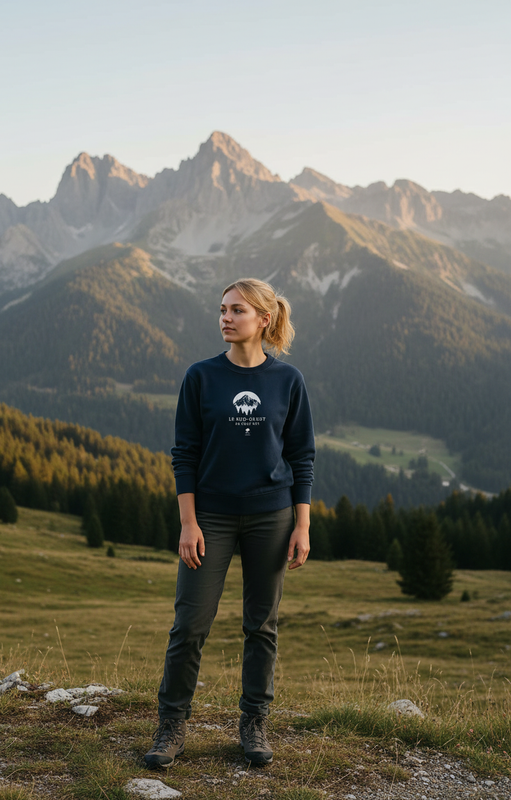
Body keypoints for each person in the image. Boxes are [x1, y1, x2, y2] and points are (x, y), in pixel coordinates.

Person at [144, 277, 315, 769]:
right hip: (211, 518)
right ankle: (171, 725)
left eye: (237, 310)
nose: (224, 317)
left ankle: (254, 723)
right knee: (190, 624)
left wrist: (301, 525)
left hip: (272, 515)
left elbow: (301, 456)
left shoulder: (288, 381)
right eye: (221, 309)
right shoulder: (200, 377)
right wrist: (188, 523)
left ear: (264, 319)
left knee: (261, 625)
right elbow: (185, 454)